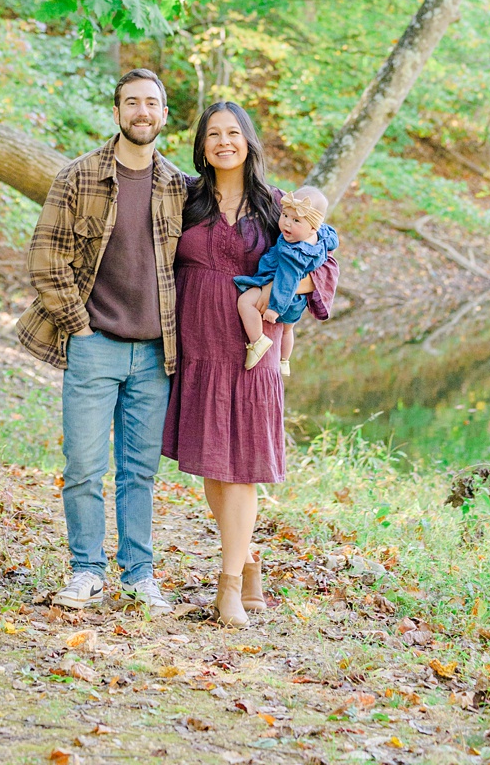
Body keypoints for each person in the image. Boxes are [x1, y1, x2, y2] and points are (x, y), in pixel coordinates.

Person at [18, 67, 193, 615]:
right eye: (132, 102)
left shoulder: (181, 187)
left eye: (152, 104)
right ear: (117, 112)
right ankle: (86, 571)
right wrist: (80, 326)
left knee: (140, 472)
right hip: (94, 345)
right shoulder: (78, 177)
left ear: (165, 115)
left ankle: (140, 575)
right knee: (84, 467)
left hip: (155, 355)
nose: (143, 112)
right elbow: (45, 258)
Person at [162, 100, 335, 627]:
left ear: (248, 141)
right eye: (213, 134)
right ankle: (251, 561)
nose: (223, 142)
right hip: (198, 349)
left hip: (249, 350)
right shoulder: (185, 201)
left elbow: (326, 269)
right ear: (202, 144)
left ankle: (229, 587)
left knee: (240, 474)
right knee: (215, 468)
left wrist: (275, 293)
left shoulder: (277, 204)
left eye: (233, 132)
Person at [234, 185, 336, 372]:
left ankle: (257, 341)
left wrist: (274, 307)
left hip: (282, 296)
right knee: (287, 330)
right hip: (297, 302)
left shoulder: (293, 253)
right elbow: (331, 236)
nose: (287, 223)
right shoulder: (320, 237)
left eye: (296, 220)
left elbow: (287, 280)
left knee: (245, 302)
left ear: (313, 227)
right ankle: (284, 361)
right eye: (285, 216)